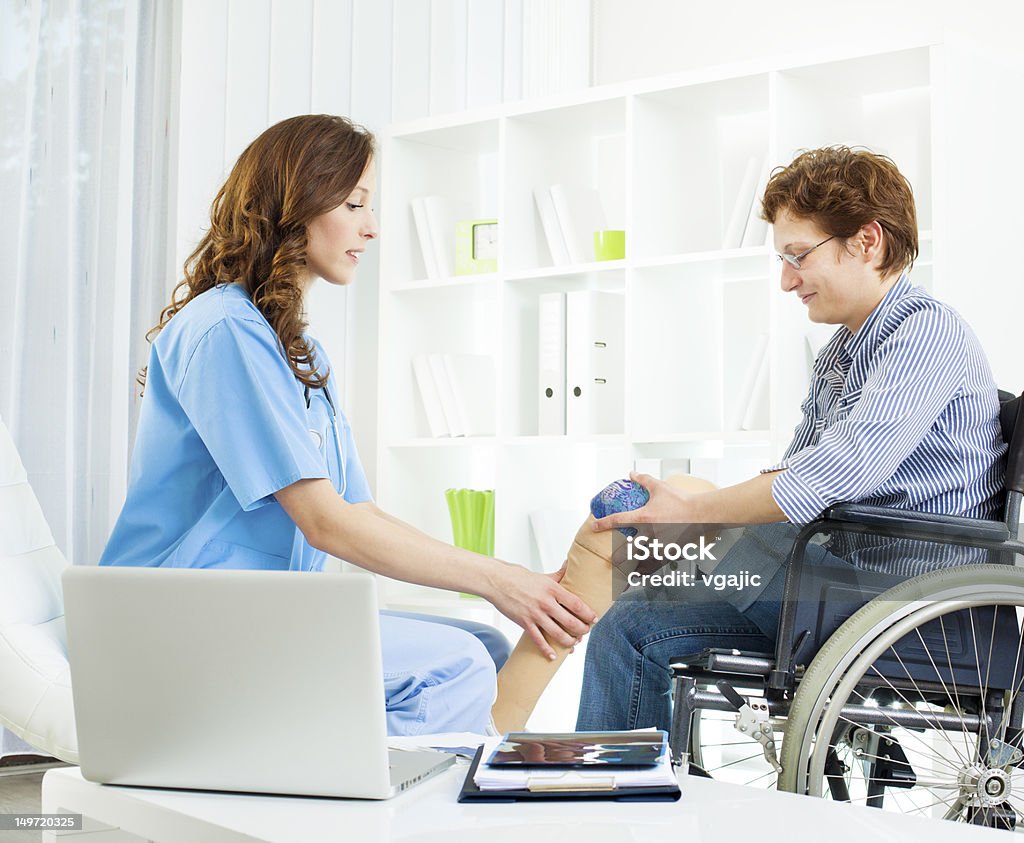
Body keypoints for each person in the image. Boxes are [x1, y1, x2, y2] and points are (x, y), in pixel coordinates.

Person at [99, 114, 597, 736]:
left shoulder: (299, 352)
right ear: (294, 204)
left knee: (485, 647)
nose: (372, 226)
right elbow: (325, 522)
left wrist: (510, 581)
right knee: (456, 666)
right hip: (181, 621)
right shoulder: (224, 329)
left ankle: (371, 785)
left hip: (256, 615)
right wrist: (501, 582)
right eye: (355, 202)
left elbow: (356, 508)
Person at [574, 146, 1007, 731]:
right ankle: (611, 811)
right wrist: (695, 526)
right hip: (834, 583)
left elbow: (837, 474)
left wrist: (696, 514)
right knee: (629, 626)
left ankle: (615, 560)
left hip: (907, 604)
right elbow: (797, 478)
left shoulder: (927, 330)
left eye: (798, 256)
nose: (785, 281)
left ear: (866, 241)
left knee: (688, 517)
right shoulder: (844, 351)